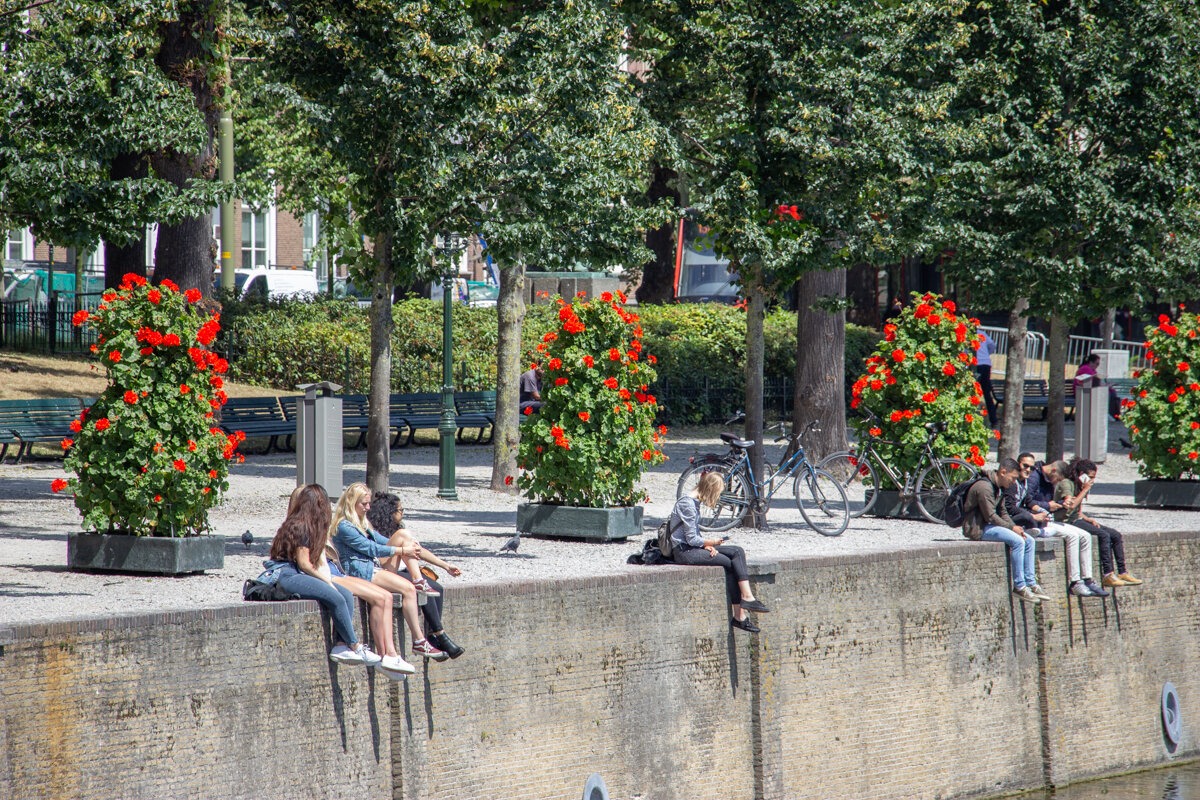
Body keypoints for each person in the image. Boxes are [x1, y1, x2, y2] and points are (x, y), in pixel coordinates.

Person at [268, 483, 383, 667]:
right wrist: (326, 581)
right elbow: (304, 564)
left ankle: (340, 645)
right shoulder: (301, 527)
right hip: (286, 574)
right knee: (335, 596)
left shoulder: (309, 526)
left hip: (297, 572)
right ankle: (354, 644)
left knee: (345, 593)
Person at [330, 483, 448, 661]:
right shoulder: (344, 526)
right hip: (359, 572)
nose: (368, 508)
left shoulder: (362, 523)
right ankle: (418, 640)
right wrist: (401, 551)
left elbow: (389, 542)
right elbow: (370, 548)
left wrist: (443, 565)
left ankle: (418, 584)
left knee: (403, 536)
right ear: (351, 503)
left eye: (369, 504)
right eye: (364, 504)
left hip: (371, 567)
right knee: (407, 589)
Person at [367, 490, 466, 659]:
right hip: (384, 571)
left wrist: (445, 566)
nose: (403, 514)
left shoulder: (398, 530)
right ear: (389, 512)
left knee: (436, 587)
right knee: (419, 588)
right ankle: (439, 635)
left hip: (400, 569)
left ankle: (432, 636)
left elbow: (419, 551)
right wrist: (402, 549)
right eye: (401, 510)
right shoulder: (373, 530)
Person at [669, 472, 769, 633]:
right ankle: (740, 615)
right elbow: (691, 540)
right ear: (711, 490)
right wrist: (712, 542)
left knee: (737, 552)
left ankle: (747, 599)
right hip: (684, 552)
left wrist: (705, 545)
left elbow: (693, 535)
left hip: (692, 547)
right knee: (728, 563)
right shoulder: (687, 504)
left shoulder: (693, 502)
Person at [1005, 454, 1107, 598]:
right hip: (1032, 521)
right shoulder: (1033, 478)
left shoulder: (1032, 480)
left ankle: (1087, 579)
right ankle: (1075, 582)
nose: (1029, 470)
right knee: (1072, 536)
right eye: (1025, 466)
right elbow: (1021, 504)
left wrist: (1055, 506)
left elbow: (1030, 501)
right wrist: (1042, 510)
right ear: (1053, 471)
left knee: (1085, 536)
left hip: (1042, 518)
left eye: (1031, 467)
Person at [962, 458, 1048, 603]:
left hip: (989, 525)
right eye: (1013, 478)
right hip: (978, 528)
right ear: (1003, 472)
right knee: (1018, 542)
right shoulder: (984, 487)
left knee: (1029, 540)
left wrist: (1015, 527)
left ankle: (1031, 583)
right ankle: (1019, 587)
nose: (1014, 482)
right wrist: (1012, 528)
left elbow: (1003, 512)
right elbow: (990, 516)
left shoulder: (999, 487)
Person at [1058, 458, 1143, 589]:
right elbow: (1070, 507)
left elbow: (1078, 511)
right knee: (1103, 535)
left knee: (1115, 535)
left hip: (1077, 519)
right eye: (1090, 477)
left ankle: (1122, 572)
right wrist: (1085, 489)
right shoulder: (1066, 483)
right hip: (1067, 522)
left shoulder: (1080, 486)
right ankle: (1107, 575)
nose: (1092, 481)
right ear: (1082, 474)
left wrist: (1088, 519)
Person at [1073, 353, 1122, 420]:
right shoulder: (1085, 368)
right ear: (1091, 362)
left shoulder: (1092, 369)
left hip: (1088, 390)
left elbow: (1095, 382)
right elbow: (1093, 382)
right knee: (1108, 393)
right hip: (1082, 391)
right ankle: (1108, 414)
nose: (1097, 366)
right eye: (1097, 364)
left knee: (1111, 392)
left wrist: (1107, 386)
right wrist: (1106, 386)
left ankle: (1113, 414)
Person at [975, 327, 998, 428]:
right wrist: (986, 353)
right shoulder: (982, 333)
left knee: (971, 392)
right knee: (987, 393)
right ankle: (994, 419)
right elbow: (992, 345)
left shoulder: (966, 334)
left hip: (976, 364)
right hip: (986, 363)